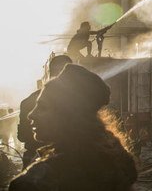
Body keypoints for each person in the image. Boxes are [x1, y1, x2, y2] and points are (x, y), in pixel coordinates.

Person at [9, 64, 137, 190]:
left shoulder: (35, 183)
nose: (31, 115)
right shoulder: (116, 157)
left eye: (42, 107)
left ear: (68, 115)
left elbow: (22, 136)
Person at [17, 54, 72, 169]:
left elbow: (22, 136)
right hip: (66, 161)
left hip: (33, 160)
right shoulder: (77, 102)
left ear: (49, 73)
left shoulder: (27, 102)